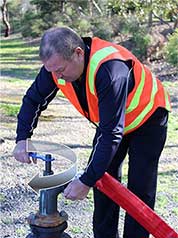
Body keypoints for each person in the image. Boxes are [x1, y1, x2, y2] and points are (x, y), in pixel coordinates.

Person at [13, 26, 171, 238]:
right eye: (51, 70)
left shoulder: (110, 70)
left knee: (139, 190)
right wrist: (22, 138)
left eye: (60, 70)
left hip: (148, 118)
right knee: (103, 182)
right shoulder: (55, 68)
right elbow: (33, 99)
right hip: (112, 123)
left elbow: (111, 134)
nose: (56, 76)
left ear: (78, 52)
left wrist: (86, 180)